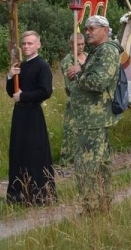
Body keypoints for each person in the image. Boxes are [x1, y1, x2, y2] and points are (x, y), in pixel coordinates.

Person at [66, 15, 123, 214]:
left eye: (92, 29)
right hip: (91, 118)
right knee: (100, 164)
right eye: (87, 28)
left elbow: (99, 82)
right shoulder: (97, 51)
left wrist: (78, 74)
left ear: (105, 30)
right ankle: (103, 205)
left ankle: (89, 208)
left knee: (86, 165)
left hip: (94, 119)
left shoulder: (107, 51)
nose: (88, 32)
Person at [6, 30, 55, 205]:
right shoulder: (21, 66)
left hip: (33, 115)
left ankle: (40, 194)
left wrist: (24, 96)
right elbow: (12, 92)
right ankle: (18, 194)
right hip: (19, 114)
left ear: (38, 45)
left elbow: (45, 91)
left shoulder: (42, 66)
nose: (26, 46)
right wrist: (11, 76)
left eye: (30, 43)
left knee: (35, 153)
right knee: (19, 151)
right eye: (24, 43)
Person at [59, 33, 87, 168]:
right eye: (78, 45)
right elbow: (72, 84)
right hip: (75, 101)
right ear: (71, 45)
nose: (80, 47)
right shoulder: (68, 61)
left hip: (89, 102)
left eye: (82, 44)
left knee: (86, 131)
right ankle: (67, 161)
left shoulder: (88, 57)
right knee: (71, 130)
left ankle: (83, 157)